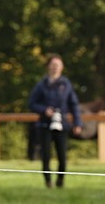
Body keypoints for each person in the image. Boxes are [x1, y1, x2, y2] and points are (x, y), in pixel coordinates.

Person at [28, 54, 83, 188]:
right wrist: (44, 110)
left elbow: (74, 104)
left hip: (62, 123)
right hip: (45, 124)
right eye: (52, 65)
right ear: (48, 67)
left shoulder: (66, 84)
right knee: (46, 154)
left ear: (62, 67)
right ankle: (48, 181)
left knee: (62, 154)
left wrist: (77, 123)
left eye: (57, 65)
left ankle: (60, 180)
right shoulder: (41, 85)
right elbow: (32, 103)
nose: (55, 68)